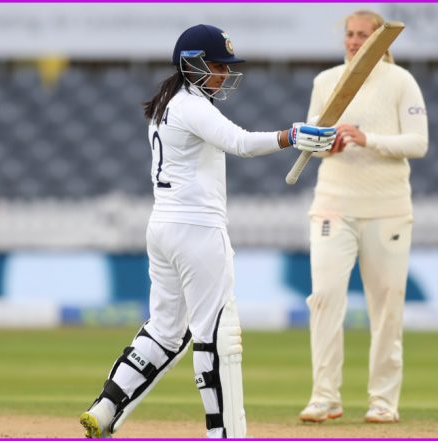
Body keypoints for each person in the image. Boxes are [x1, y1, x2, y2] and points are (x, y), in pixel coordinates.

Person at [79, 24, 336, 439]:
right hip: (197, 230)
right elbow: (240, 143)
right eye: (217, 65)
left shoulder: (168, 104)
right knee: (214, 333)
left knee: (165, 331)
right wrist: (292, 135)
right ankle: (224, 432)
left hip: (163, 228)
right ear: (192, 64)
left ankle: (106, 408)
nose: (223, 74)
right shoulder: (190, 105)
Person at [298, 10, 429, 424]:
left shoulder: (400, 82)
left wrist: (367, 138)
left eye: (363, 36)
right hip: (333, 204)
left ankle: (383, 401)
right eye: (350, 35)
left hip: (387, 209)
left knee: (387, 305)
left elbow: (418, 143)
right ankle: (324, 397)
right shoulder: (326, 82)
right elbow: (311, 141)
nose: (354, 42)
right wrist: (326, 146)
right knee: (324, 298)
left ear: (381, 42)